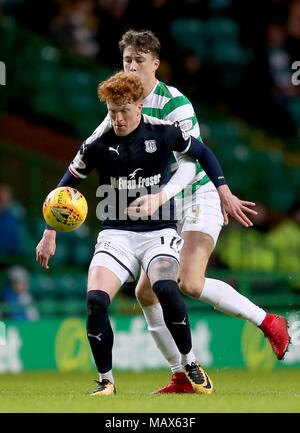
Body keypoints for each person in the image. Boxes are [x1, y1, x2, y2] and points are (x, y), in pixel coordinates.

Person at [36, 71, 240, 395]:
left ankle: (189, 363)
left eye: (124, 111)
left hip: (159, 230)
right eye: (111, 111)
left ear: (140, 106)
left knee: (166, 288)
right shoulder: (97, 143)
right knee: (95, 301)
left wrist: (223, 189)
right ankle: (107, 382)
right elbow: (66, 185)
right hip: (115, 234)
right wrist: (50, 232)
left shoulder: (163, 132)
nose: (117, 118)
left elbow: (203, 154)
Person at [114, 29, 289, 394]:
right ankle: (180, 374)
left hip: (196, 197)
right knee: (145, 293)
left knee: (190, 282)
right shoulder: (122, 102)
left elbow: (192, 164)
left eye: (139, 61)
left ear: (155, 65)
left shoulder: (174, 104)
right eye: (127, 60)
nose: (131, 67)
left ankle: (269, 321)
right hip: (165, 204)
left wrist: (163, 196)